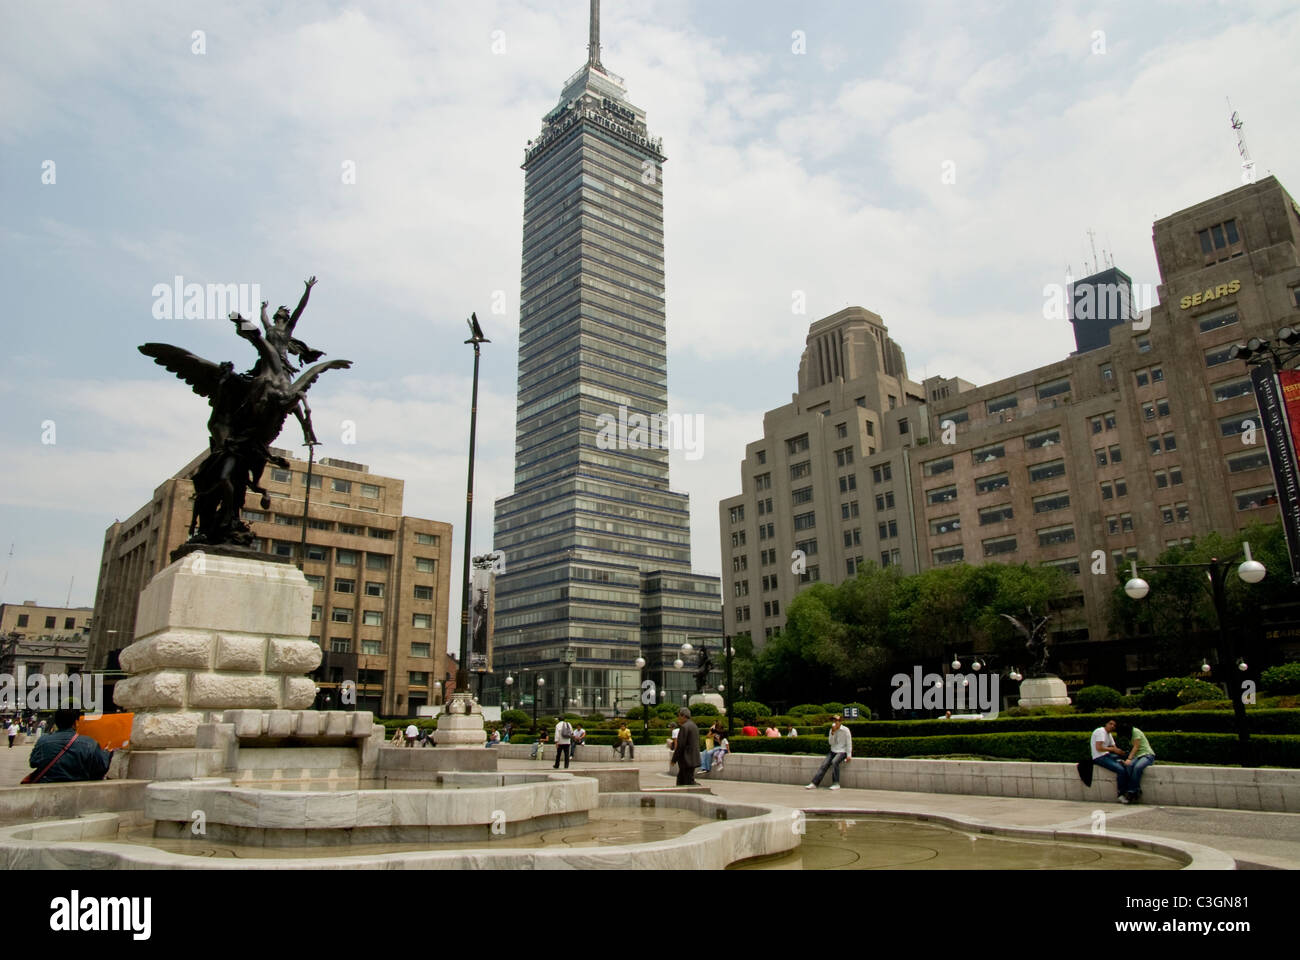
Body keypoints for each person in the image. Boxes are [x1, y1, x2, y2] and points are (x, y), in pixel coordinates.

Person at [25, 709, 112, 783]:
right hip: (79, 789)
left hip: (47, 786)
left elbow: (33, 762)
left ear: (56, 723)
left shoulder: (43, 741)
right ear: (76, 723)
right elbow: (102, 766)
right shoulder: (89, 743)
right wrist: (107, 752)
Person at [805, 714, 852, 790]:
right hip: (833, 750)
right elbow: (831, 743)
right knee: (824, 765)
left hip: (842, 751)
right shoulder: (831, 730)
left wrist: (849, 755)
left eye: (836, 720)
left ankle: (836, 783)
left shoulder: (846, 730)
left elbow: (849, 743)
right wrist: (833, 733)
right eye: (834, 720)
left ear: (840, 721)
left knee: (834, 762)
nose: (835, 722)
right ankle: (814, 783)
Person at [1090, 719, 1132, 802]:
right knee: (1120, 770)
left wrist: (1121, 752)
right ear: (1106, 724)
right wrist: (1113, 750)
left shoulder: (1109, 734)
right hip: (1099, 757)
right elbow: (1099, 748)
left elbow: (1114, 747)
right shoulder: (1100, 731)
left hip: (1107, 755)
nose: (1112, 726)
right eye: (1110, 724)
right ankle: (1121, 794)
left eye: (1114, 725)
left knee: (1126, 760)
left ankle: (1131, 789)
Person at [1121, 722, 1156, 803]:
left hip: (1147, 755)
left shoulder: (1136, 732)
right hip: (1138, 756)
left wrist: (1129, 759)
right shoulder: (1130, 735)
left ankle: (1132, 791)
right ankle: (1136, 790)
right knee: (1129, 766)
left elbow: (1136, 746)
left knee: (1137, 767)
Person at [672, 707, 701, 786]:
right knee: (682, 780)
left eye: (679, 716)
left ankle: (702, 792)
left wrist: (674, 759)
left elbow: (680, 745)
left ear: (684, 716)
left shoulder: (684, 727)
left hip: (686, 759)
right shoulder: (694, 726)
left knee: (688, 782)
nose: (678, 718)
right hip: (693, 758)